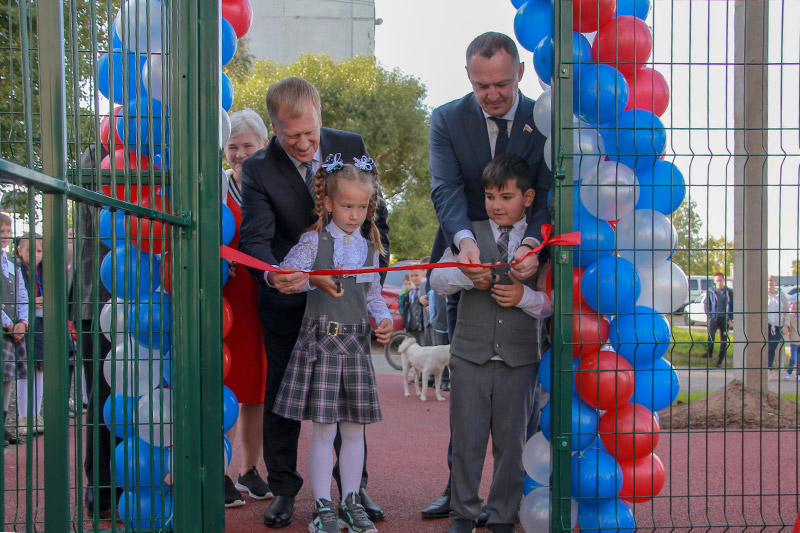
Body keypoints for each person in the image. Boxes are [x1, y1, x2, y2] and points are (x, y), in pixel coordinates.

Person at [238, 76, 389, 528]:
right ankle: (284, 490)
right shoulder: (260, 168)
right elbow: (255, 238)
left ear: (320, 116)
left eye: (310, 133)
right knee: (283, 399)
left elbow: (376, 216)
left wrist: (372, 279)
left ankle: (354, 492)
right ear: (273, 129)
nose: (304, 144)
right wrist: (275, 274)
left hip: (346, 310)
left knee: (347, 407)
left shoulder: (350, 145)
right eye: (291, 136)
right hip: (288, 301)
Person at [422, 31, 551, 522]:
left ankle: (512, 496)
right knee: (469, 376)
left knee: (520, 386)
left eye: (500, 83)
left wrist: (533, 245)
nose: (492, 94)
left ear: (519, 72)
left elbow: (546, 191)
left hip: (530, 258)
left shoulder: (544, 121)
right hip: (465, 255)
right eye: (481, 86)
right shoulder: (447, 119)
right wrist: (465, 244)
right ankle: (460, 494)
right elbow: (446, 188)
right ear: (470, 80)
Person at [430, 153, 551, 533]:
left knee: (512, 444)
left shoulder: (541, 244)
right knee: (467, 441)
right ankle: (463, 514)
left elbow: (550, 305)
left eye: (507, 197)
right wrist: (468, 277)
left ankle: (502, 515)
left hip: (520, 359)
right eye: (490, 197)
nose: (497, 205)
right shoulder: (467, 235)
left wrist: (523, 298)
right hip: (469, 356)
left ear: (528, 198)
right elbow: (437, 281)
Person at [271, 156, 392, 533]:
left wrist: (383, 317)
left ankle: (351, 501)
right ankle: (323, 506)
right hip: (321, 343)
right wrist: (312, 280)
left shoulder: (369, 249)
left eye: (361, 206)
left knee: (355, 429)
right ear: (327, 203)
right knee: (324, 428)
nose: (354, 214)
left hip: (355, 345)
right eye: (346, 205)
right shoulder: (313, 241)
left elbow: (372, 295)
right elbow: (285, 274)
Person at [221, 108, 272, 508]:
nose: (240, 153)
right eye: (233, 146)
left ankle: (250, 470)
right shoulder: (215, 190)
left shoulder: (270, 186)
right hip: (225, 303)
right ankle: (220, 471)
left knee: (256, 390)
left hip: (262, 302)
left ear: (264, 146)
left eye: (248, 145)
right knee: (225, 388)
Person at [1, 213, 27, 446]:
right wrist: (7, 321)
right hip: (3, 326)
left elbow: (21, 294)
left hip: (11, 330)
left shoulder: (11, 263)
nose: (5, 235)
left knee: (7, 377)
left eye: (8, 231)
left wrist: (23, 321)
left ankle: (4, 425)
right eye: (1, 231)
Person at [15, 233, 44, 435]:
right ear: (19, 251)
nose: (35, 254)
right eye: (30, 250)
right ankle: (23, 416)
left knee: (40, 369)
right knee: (24, 370)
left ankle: (36, 414)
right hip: (24, 324)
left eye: (40, 250)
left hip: (42, 324)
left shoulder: (45, 271)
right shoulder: (17, 271)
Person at [704, 272, 733, 368]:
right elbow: (707, 304)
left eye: (720, 280)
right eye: (717, 280)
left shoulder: (728, 292)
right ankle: (709, 352)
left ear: (724, 280)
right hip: (714, 317)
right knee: (711, 336)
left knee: (723, 340)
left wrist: (730, 317)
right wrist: (708, 315)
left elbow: (732, 305)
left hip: (724, 318)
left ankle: (720, 360)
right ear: (714, 281)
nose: (719, 282)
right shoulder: (711, 291)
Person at [766, 274, 790, 381]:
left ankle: (769, 369)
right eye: (768, 280)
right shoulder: (764, 294)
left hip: (777, 325)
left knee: (772, 347)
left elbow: (786, 311)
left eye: (772, 280)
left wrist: (786, 325)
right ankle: (767, 370)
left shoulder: (781, 295)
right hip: (766, 324)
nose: (770, 282)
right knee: (764, 347)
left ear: (775, 282)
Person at [403, 268, 427, 345]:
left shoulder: (426, 289)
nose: (413, 278)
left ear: (422, 275)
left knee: (424, 347)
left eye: (416, 275)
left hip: (423, 326)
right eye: (411, 276)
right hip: (412, 326)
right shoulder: (409, 293)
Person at [783, 300, 800, 381]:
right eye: (795, 308)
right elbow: (787, 326)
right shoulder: (791, 317)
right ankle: (788, 373)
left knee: (799, 359)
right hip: (794, 341)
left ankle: (798, 374)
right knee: (793, 358)